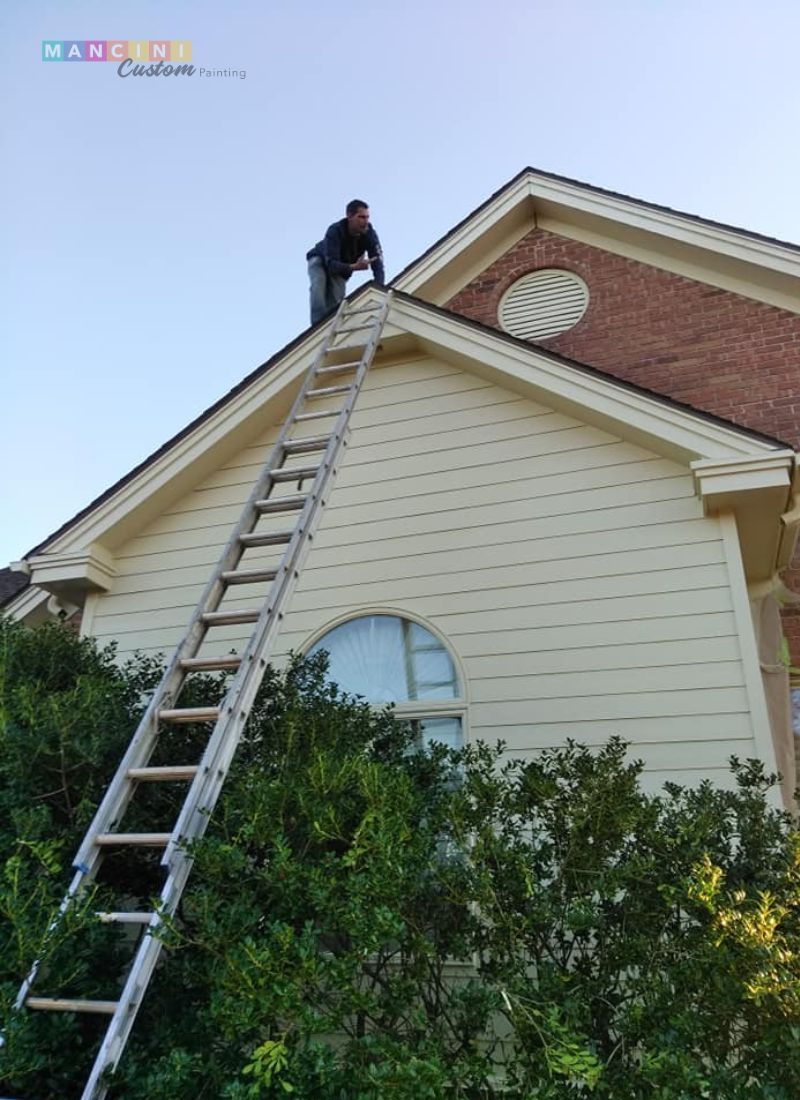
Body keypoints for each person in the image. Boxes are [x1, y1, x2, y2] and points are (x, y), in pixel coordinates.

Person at [306, 200, 385, 325]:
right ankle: (316, 328)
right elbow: (331, 264)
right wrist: (354, 266)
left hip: (342, 269)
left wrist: (379, 289)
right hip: (321, 260)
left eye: (367, 217)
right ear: (349, 216)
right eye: (361, 217)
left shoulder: (370, 234)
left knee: (337, 300)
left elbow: (378, 264)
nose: (365, 221)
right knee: (319, 285)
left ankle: (333, 326)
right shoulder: (335, 230)